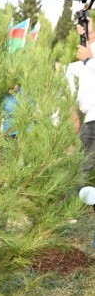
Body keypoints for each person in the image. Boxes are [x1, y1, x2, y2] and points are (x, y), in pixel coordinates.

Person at [64, 16, 95, 182]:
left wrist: (89, 60)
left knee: (80, 173)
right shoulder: (76, 66)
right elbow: (70, 105)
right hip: (90, 123)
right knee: (79, 172)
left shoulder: (88, 60)